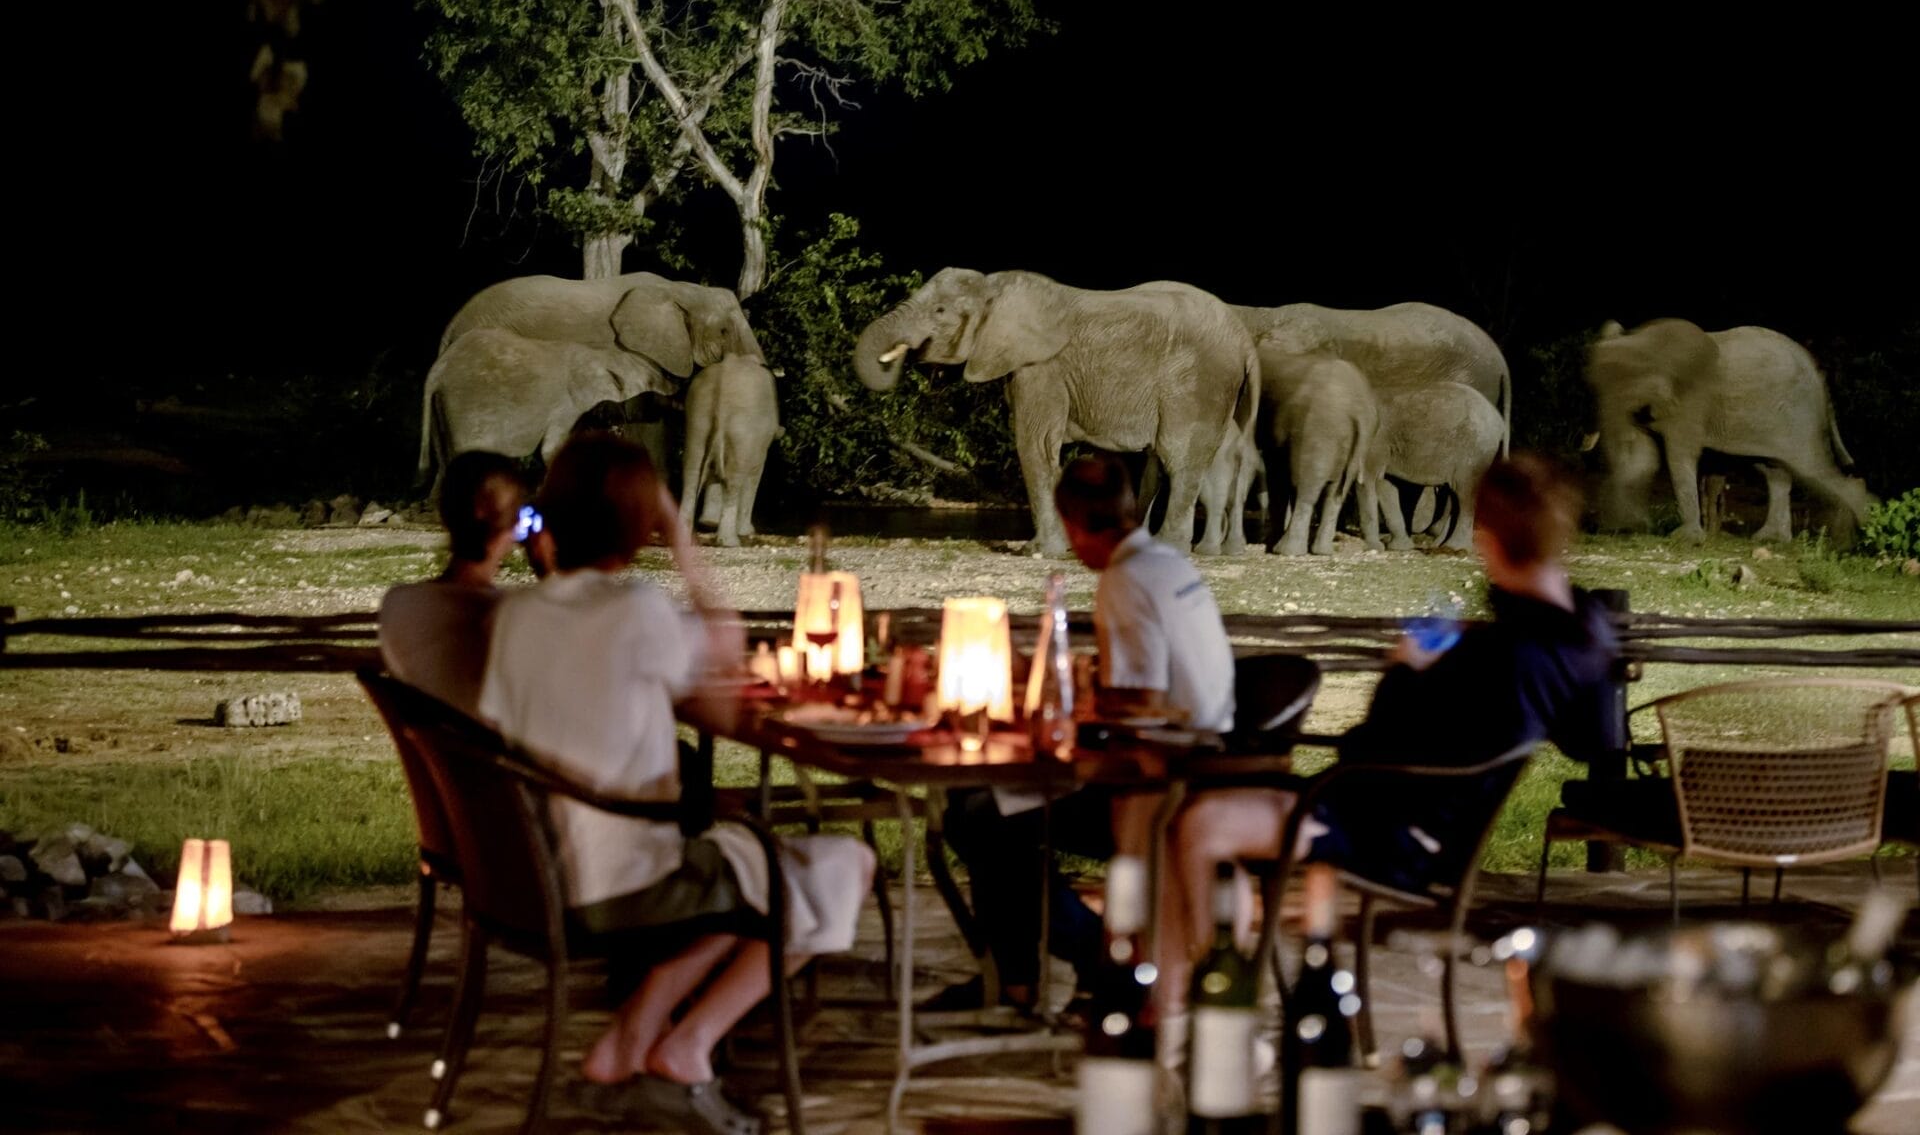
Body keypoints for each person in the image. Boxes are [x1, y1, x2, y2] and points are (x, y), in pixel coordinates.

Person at [475, 433, 873, 1121]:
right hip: (628, 880)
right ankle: (688, 1044)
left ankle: (629, 1038)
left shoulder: (515, 617)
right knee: (843, 862)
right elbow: (724, 664)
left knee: (748, 860)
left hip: (539, 872)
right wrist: (684, 539)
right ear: (639, 522)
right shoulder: (637, 612)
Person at [1164, 453, 1619, 1004]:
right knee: (1214, 820)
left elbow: (1373, 743)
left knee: (1198, 823)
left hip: (1389, 834)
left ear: (1489, 539)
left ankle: (1209, 1007)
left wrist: (1404, 667)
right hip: (1426, 827)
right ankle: (1212, 993)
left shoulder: (1491, 655)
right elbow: (1592, 740)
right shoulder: (1585, 635)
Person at [939, 453, 1236, 1010]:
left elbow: (1140, 701)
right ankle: (1022, 975)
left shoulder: (1124, 580)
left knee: (982, 813)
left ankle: (1075, 960)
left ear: (1072, 523)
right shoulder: (1167, 563)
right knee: (987, 807)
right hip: (1208, 756)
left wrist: (1061, 698)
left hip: (1163, 778)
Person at [377, 450, 527, 714]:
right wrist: (553, 571)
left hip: (438, 752)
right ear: (514, 526)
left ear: (445, 513)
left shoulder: (398, 604)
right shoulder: (513, 614)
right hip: (495, 753)